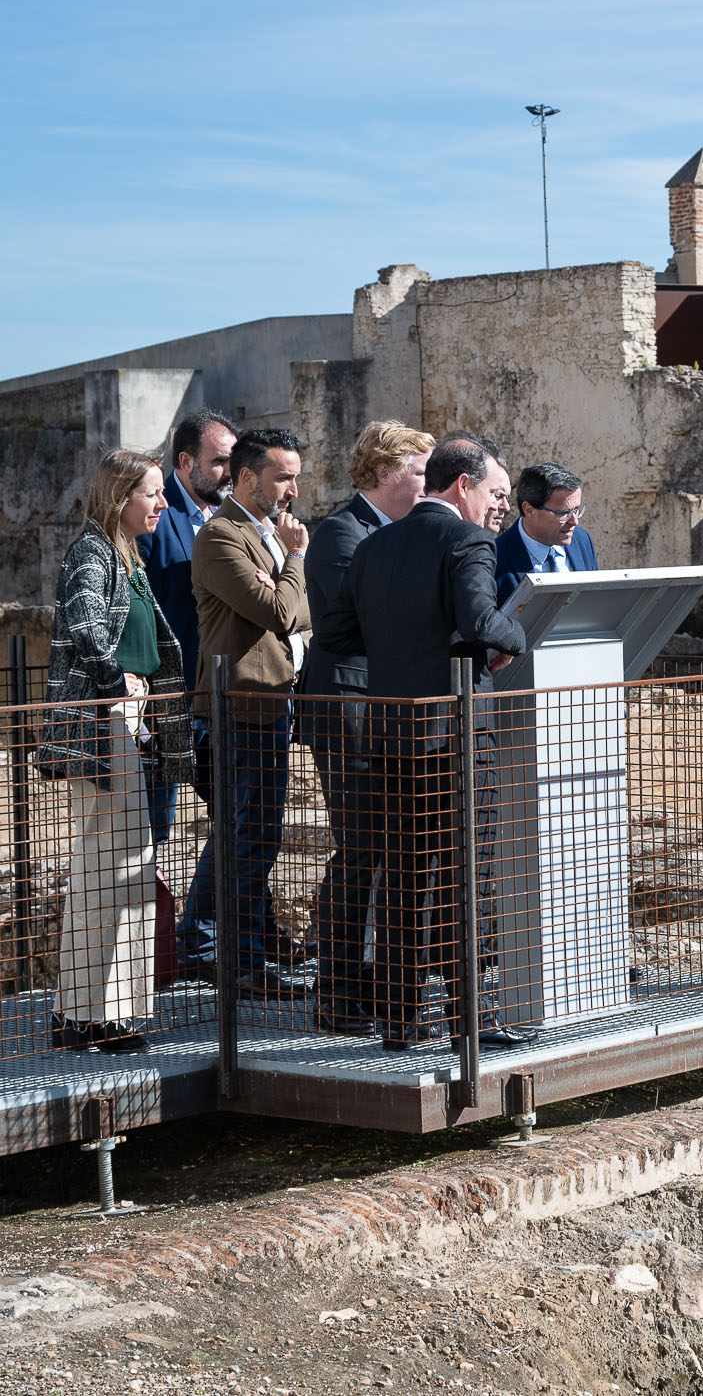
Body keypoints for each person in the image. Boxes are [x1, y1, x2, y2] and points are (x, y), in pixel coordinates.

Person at [320, 433, 528, 1052]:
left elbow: (335, 633)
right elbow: (479, 621)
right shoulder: (468, 540)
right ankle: (473, 1018)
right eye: (496, 493)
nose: (501, 507)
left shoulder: (377, 542)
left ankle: (399, 1020)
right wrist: (521, 632)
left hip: (389, 732)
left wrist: (399, 647)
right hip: (454, 736)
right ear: (462, 485)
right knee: (468, 873)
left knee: (406, 876)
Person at [38, 449, 194, 1052]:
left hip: (129, 726)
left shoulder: (125, 555)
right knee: (108, 872)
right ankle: (86, 1016)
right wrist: (116, 684)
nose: (161, 504)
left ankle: (103, 1012)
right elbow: (84, 628)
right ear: (120, 494)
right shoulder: (92, 551)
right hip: (107, 728)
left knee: (124, 871)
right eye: (152, 493)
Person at [297, 420, 434, 1035]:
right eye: (419, 473)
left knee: (390, 850)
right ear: (384, 473)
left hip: (389, 711)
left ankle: (383, 983)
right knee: (361, 851)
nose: (428, 487)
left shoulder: (398, 532)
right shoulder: (339, 534)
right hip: (350, 711)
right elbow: (377, 616)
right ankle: (336, 994)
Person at [190, 429, 314, 1000]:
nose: (293, 488)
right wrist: (292, 562)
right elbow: (279, 612)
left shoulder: (263, 534)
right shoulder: (221, 536)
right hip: (239, 709)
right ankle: (235, 962)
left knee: (254, 836)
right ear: (246, 478)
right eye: (282, 476)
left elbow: (303, 612)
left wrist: (285, 579)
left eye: (294, 475)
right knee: (245, 839)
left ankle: (237, 950)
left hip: (274, 704)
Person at [138, 408, 234, 975]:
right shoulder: (157, 515)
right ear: (185, 462)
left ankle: (200, 935)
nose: (229, 470)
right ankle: (145, 961)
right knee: (151, 830)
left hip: (219, 704)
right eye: (219, 460)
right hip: (169, 708)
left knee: (244, 821)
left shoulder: (230, 518)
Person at [493, 462, 597, 605]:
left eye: (577, 510)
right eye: (564, 513)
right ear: (529, 510)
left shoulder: (582, 540)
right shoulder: (494, 559)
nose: (574, 521)